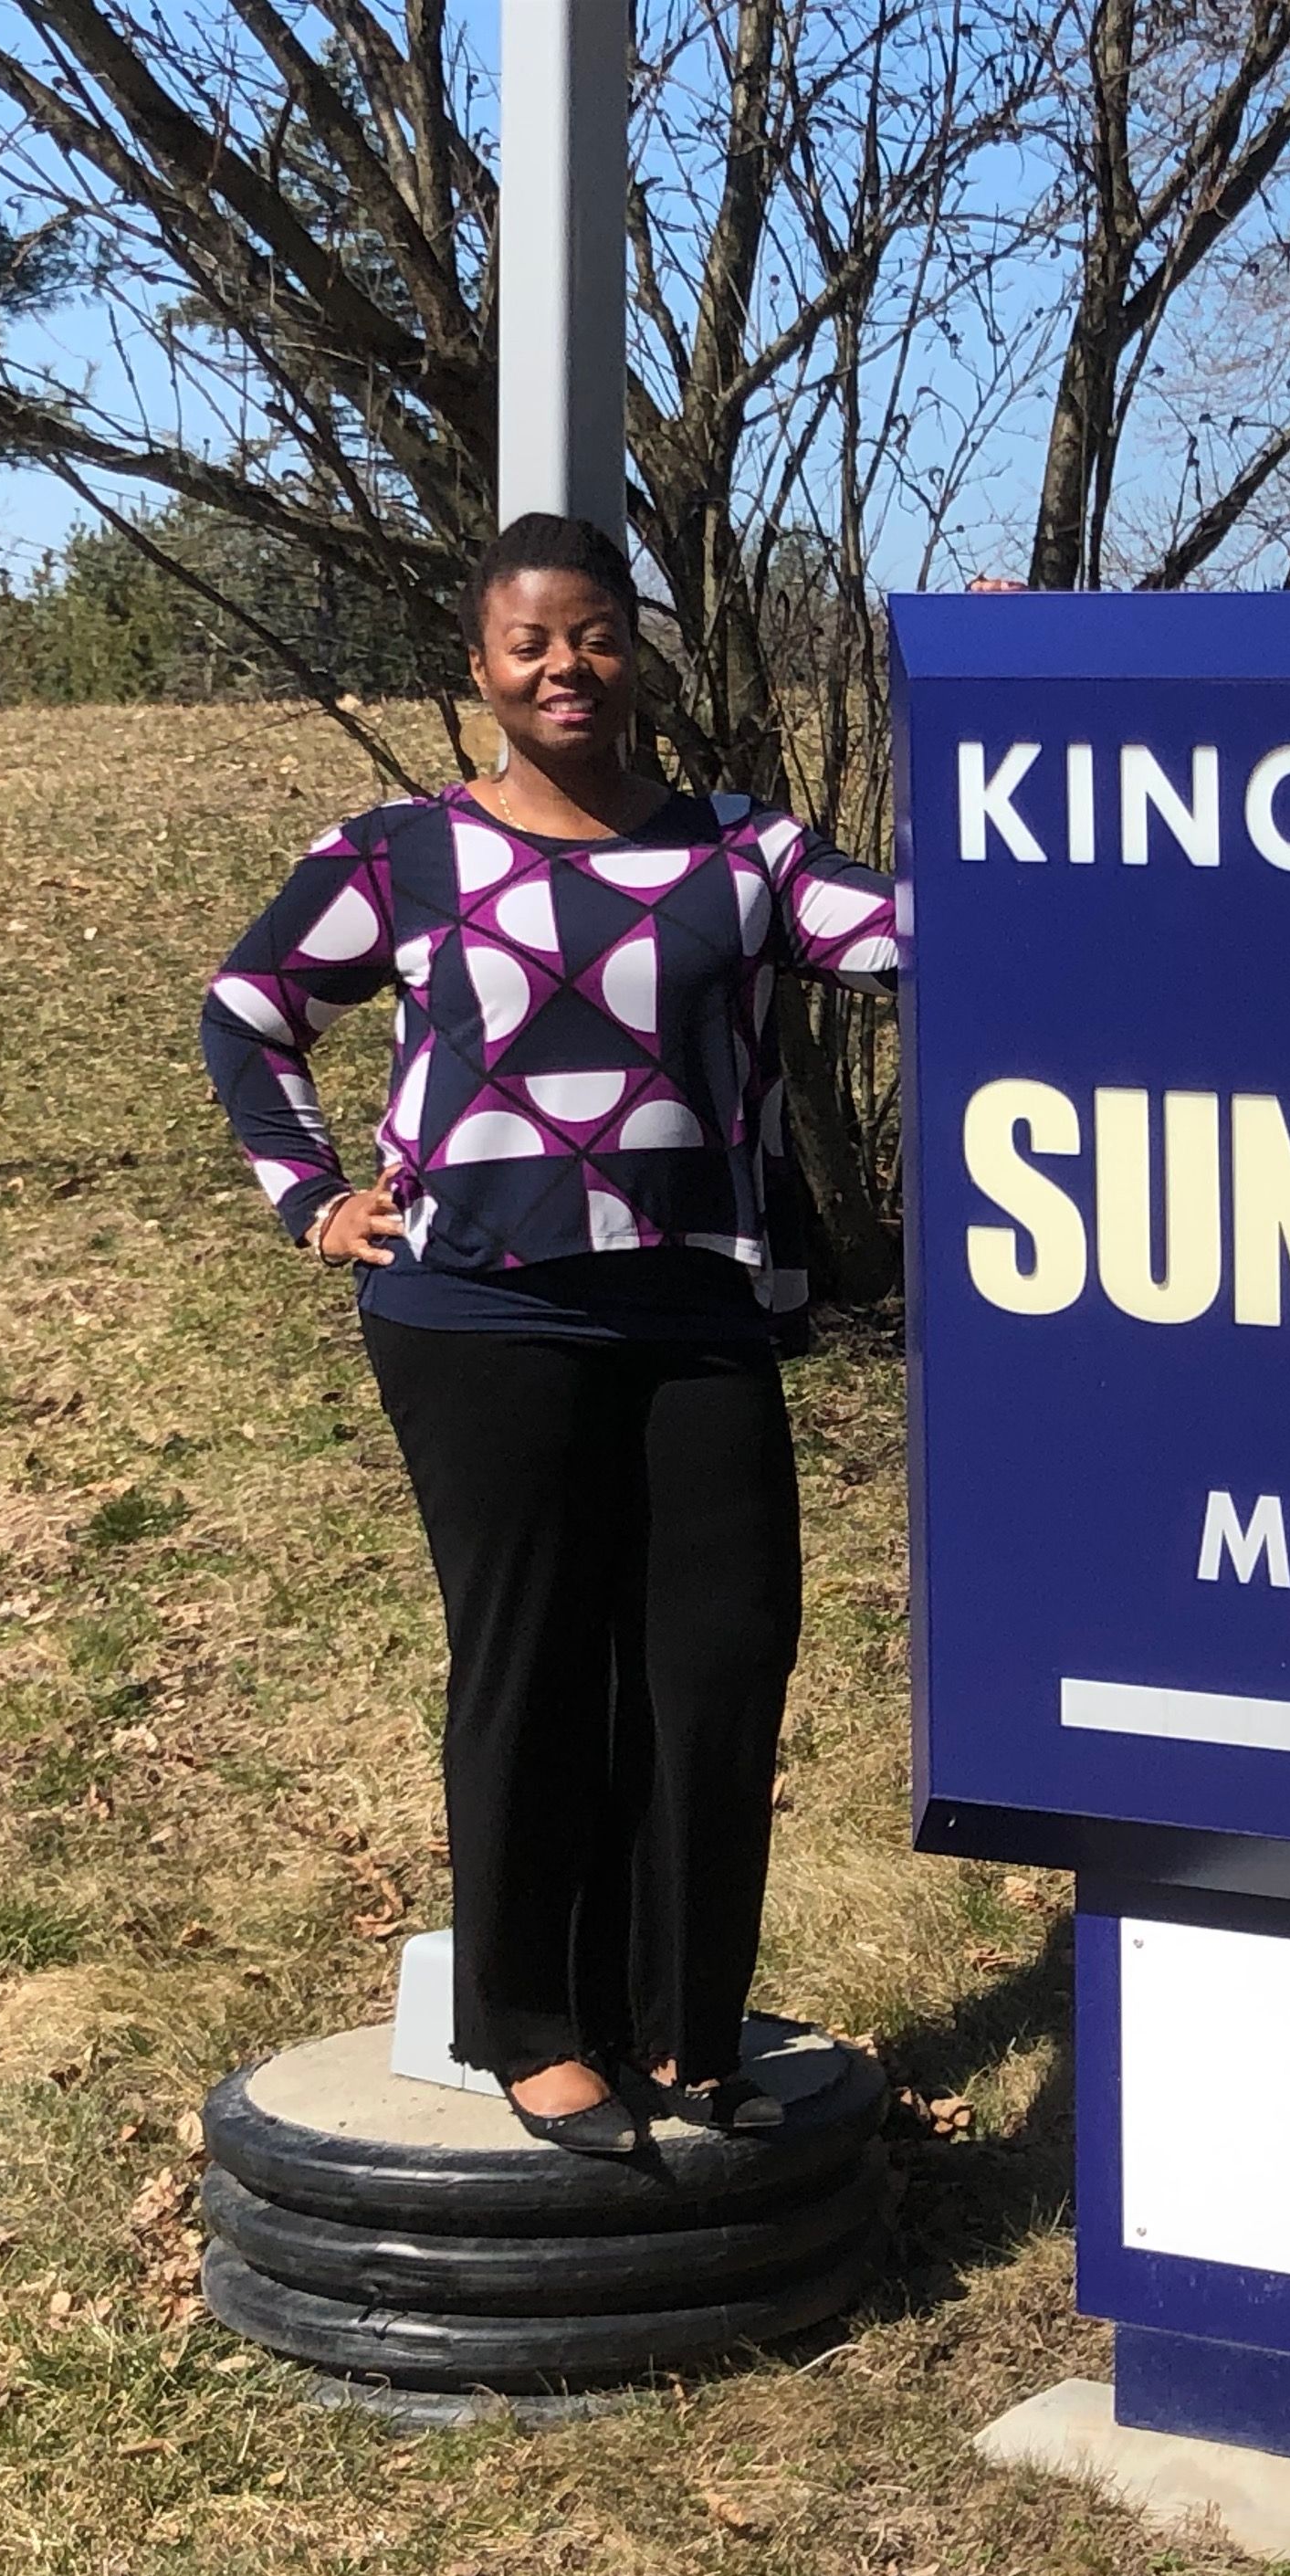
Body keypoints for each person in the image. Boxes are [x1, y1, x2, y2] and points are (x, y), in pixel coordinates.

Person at [199, 512, 900, 2156]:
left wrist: (1019, 694)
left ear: (631, 652)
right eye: (529, 643)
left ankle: (687, 2025)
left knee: (717, 1668)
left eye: (591, 635)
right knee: (532, 1666)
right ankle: (532, 2028)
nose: (563, 667)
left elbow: (929, 927)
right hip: (474, 1319)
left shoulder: (745, 853)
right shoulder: (404, 853)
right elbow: (248, 1007)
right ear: (479, 670)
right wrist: (307, 1195)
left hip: (694, 1310)